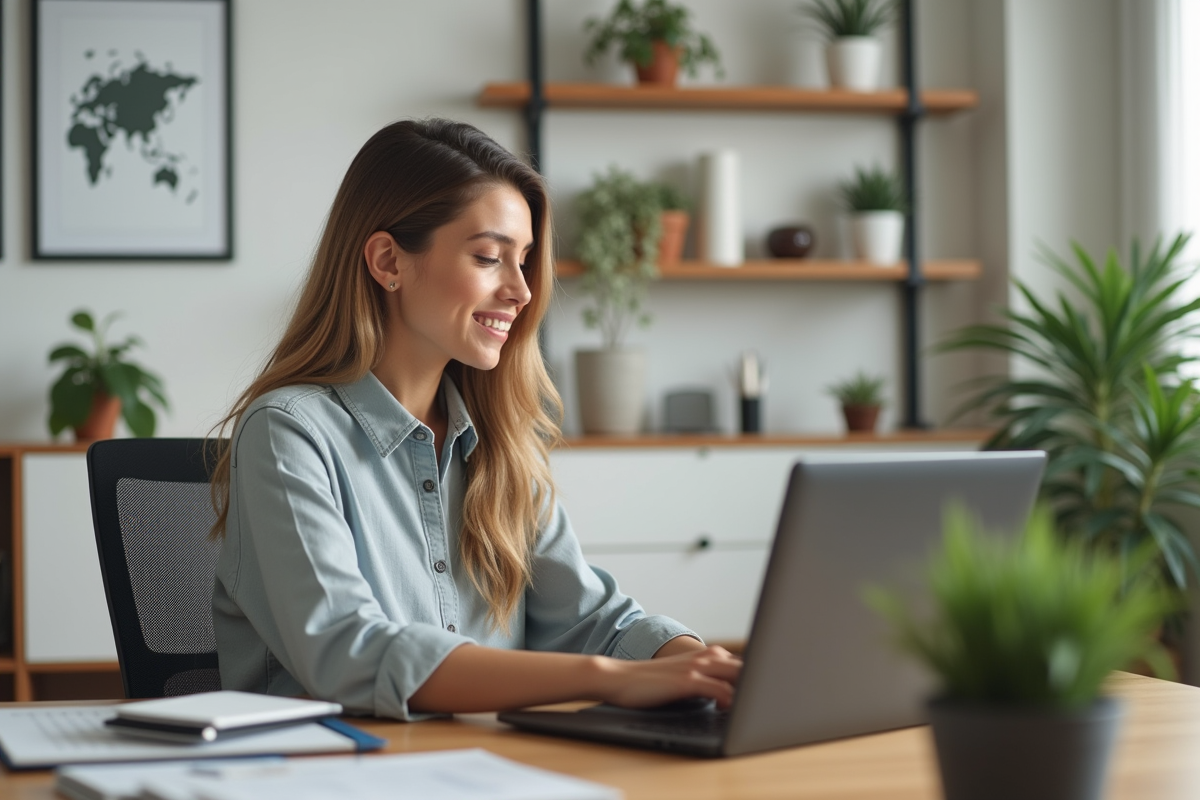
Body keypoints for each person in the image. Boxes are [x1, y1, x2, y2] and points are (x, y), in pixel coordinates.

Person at [208, 118, 742, 720]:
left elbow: (594, 620)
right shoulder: (288, 433)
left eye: (526, 261)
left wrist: (697, 666)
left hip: (485, 768)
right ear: (388, 261)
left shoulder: (499, 441)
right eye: (489, 257)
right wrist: (609, 679)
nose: (521, 291)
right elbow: (348, 653)